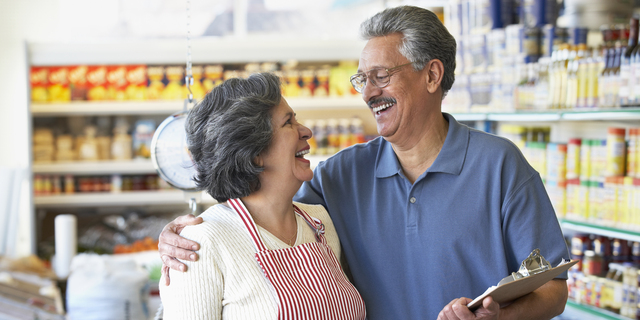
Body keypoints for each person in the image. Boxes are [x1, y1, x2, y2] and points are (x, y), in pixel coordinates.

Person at [158, 6, 571, 320]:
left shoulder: (499, 165)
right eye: (362, 78)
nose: (368, 92)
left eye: (381, 76)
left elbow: (554, 286)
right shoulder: (340, 176)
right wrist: (185, 232)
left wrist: (500, 318)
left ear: (432, 76)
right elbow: (258, 210)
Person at [158, 72, 366, 320]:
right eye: (288, 122)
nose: (306, 131)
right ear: (254, 151)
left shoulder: (319, 223)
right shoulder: (201, 242)